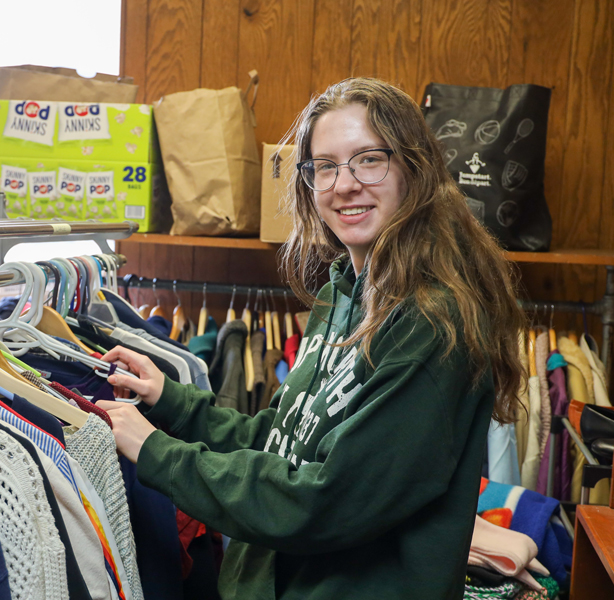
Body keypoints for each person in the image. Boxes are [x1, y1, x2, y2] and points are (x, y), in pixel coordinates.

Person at [96, 77, 526, 599]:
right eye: (325, 166)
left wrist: (157, 452)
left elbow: (323, 503)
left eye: (369, 159)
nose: (344, 184)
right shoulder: (343, 294)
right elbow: (280, 444)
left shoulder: (433, 326)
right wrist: (172, 401)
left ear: (415, 167)